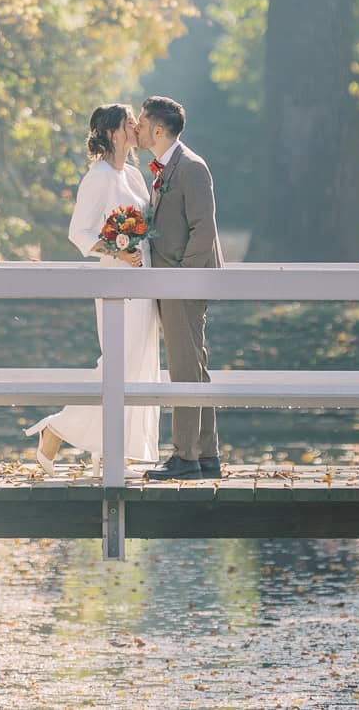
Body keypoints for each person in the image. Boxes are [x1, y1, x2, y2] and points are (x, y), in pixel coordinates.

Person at [26, 104, 160, 471]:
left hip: (143, 279)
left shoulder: (132, 175)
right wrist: (118, 251)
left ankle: (109, 450)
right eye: (129, 122)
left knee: (139, 364)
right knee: (118, 362)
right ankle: (56, 429)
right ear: (114, 132)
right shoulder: (98, 176)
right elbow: (79, 234)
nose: (136, 126)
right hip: (117, 277)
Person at [136, 94, 223, 480]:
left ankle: (185, 456)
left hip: (183, 280)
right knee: (193, 365)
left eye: (140, 122)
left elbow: (203, 229)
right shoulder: (163, 169)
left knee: (185, 369)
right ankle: (206, 453)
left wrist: (183, 279)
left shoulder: (191, 167)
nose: (136, 127)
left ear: (158, 129)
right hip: (170, 279)